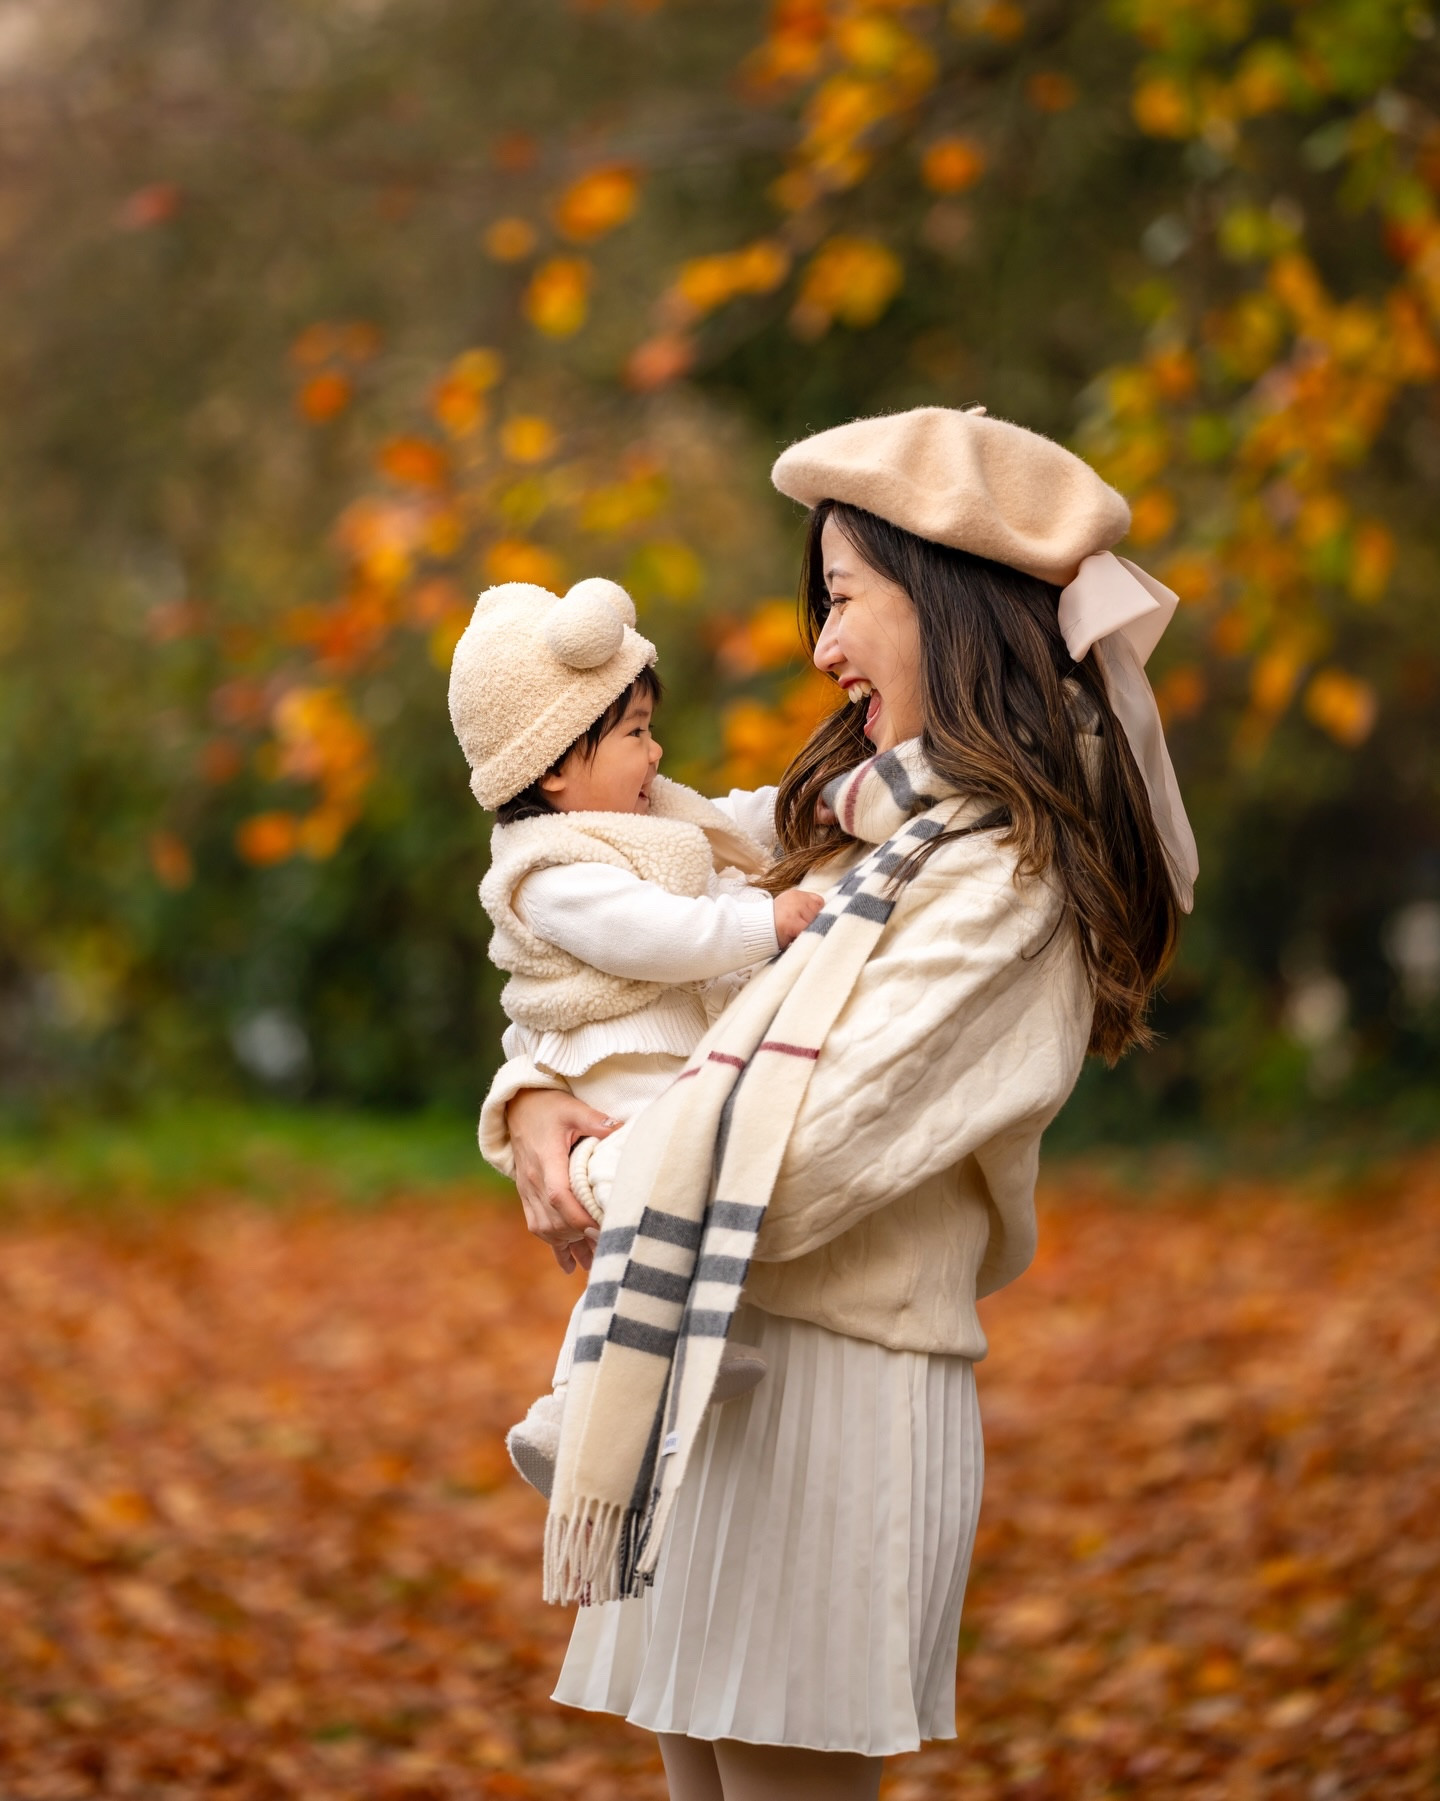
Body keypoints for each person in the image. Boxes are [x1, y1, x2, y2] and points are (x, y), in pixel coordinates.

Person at [482, 407, 1200, 1801]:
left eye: (844, 596)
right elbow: (630, 942)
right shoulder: (875, 828)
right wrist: (532, 1101)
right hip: (712, 1365)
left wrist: (594, 1173)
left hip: (832, 1396)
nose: (820, 645)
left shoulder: (1004, 881)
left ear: (945, 606)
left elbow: (803, 1158)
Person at [447, 574, 823, 1495]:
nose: (656, 752)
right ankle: (572, 1411)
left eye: (650, 726)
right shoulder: (550, 870)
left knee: (672, 1217)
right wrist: (761, 928)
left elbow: (726, 822)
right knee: (655, 1208)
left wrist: (804, 805)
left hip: (663, 1062)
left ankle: (693, 1342)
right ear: (551, 768)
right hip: (614, 1073)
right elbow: (653, 937)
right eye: (633, 733)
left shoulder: (636, 819)